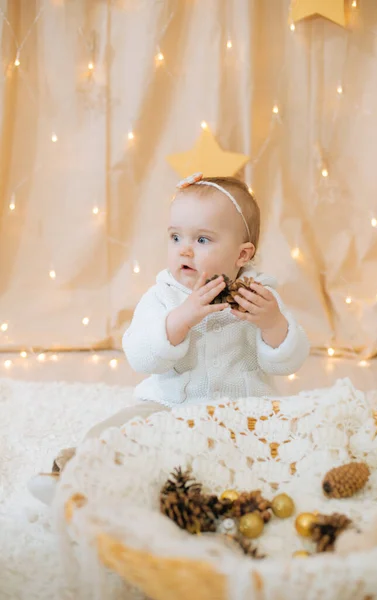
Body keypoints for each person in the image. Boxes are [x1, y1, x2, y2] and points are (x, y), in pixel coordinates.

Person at [28, 173, 309, 505]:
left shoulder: (259, 296)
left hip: (243, 415)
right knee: (121, 431)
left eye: (202, 240)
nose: (184, 250)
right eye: (175, 237)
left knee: (284, 446)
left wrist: (273, 323)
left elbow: (288, 362)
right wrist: (181, 319)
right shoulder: (162, 296)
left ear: (242, 255)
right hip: (167, 407)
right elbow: (141, 356)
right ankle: (78, 473)